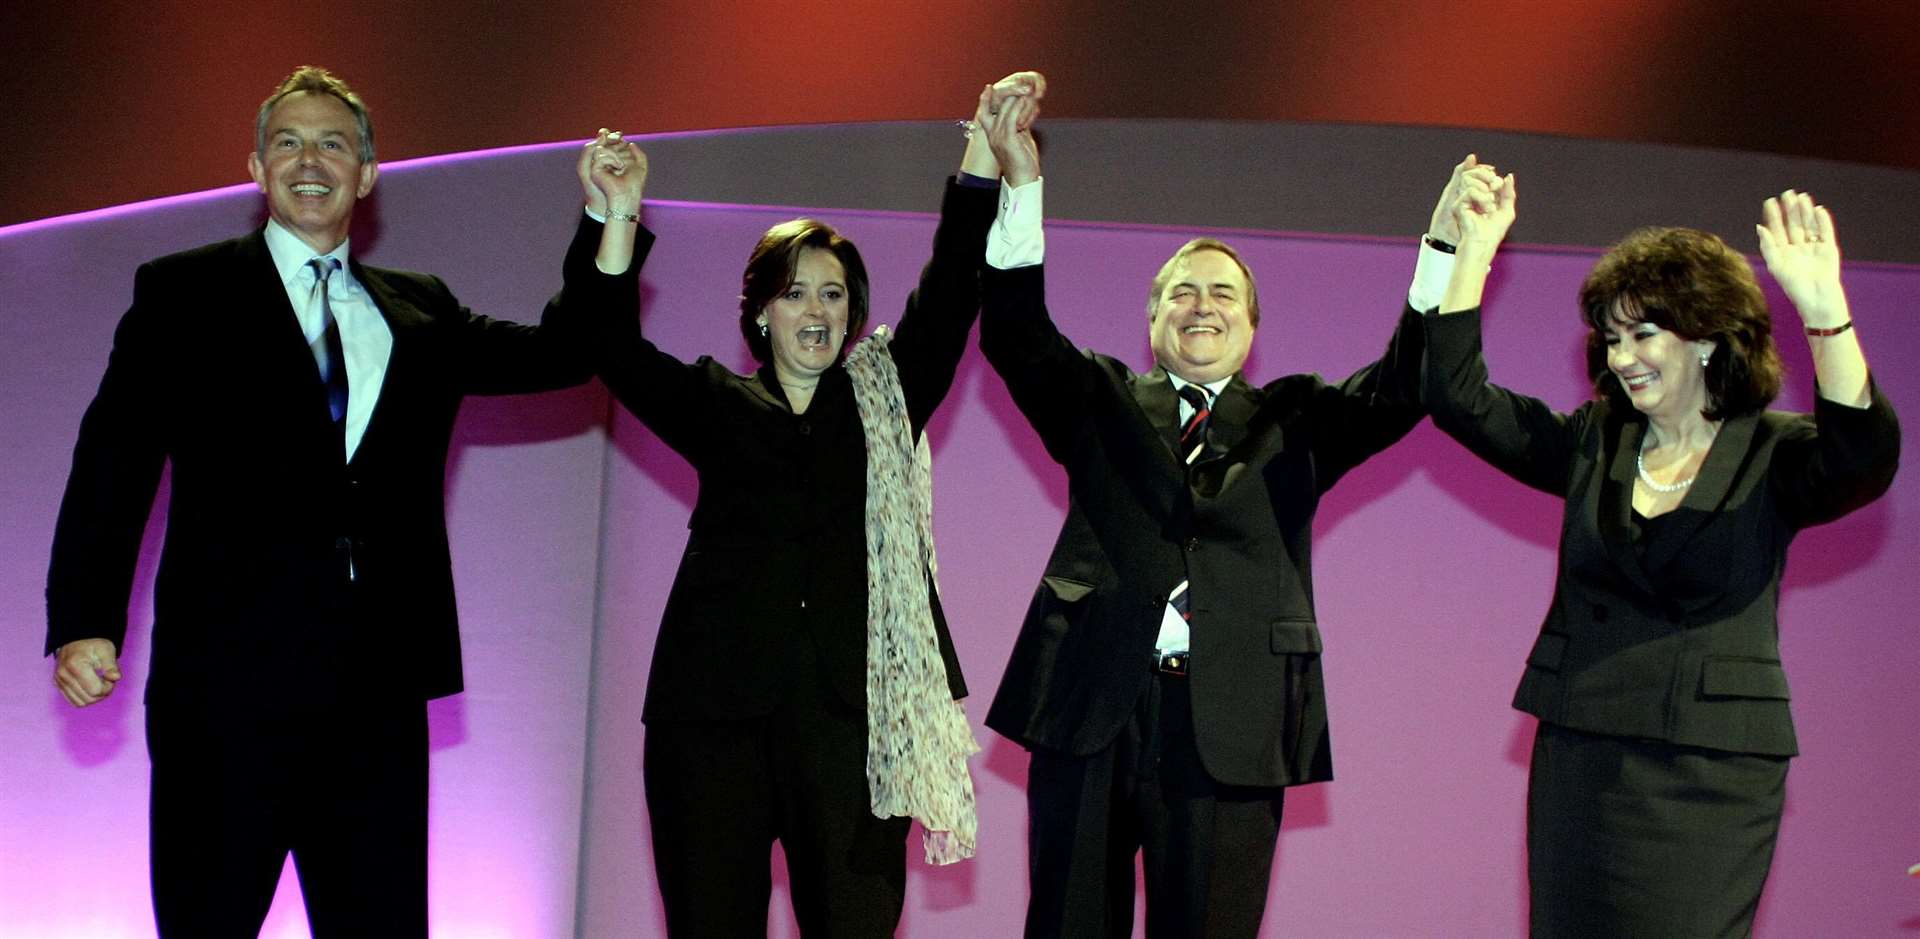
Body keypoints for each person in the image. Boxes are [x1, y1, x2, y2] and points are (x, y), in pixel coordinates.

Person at [45, 66, 647, 937]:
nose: (309, 159)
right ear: (255, 167)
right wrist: (85, 617)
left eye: (333, 142)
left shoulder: (421, 309)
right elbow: (113, 458)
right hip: (222, 696)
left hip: (376, 697)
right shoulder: (182, 291)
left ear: (367, 175)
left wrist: (611, 216)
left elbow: (568, 351)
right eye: (286, 142)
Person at [973, 73, 1464, 938]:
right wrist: (1019, 184)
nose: (1202, 306)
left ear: (1251, 326)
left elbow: (1402, 386)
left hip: (1233, 719)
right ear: (1153, 318)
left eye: (1222, 294)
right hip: (1093, 707)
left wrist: (1446, 253)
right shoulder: (1105, 398)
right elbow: (1016, 334)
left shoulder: (1298, 418)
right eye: (1182, 294)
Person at [569, 82, 1012, 937]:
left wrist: (981, 158)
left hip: (854, 725)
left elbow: (953, 290)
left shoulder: (883, 401)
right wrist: (616, 217)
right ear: (762, 311)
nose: (818, 310)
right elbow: (608, 347)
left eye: (836, 294)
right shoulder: (715, 401)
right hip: (711, 725)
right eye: (798, 292)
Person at [1423, 160, 1899, 935]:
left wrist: (1824, 310)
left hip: (1711, 773)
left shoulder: (1773, 453)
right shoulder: (1594, 442)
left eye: (1644, 333)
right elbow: (1456, 397)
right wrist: (1468, 250)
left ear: (1709, 339)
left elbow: (1863, 456)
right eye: (1611, 338)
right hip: (1581, 751)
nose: (1622, 356)